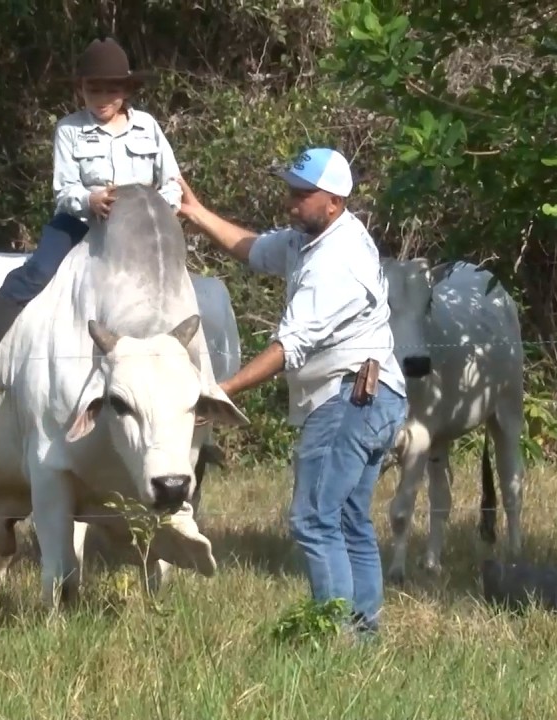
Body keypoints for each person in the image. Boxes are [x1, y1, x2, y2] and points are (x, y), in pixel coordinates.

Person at [175, 148, 409, 638]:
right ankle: (362, 636)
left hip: (349, 398)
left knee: (314, 518)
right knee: (348, 518)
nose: (291, 202)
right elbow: (254, 249)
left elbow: (290, 346)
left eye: (303, 194)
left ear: (334, 201)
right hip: (373, 394)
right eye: (290, 190)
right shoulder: (312, 238)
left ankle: (334, 636)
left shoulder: (337, 262)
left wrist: (221, 390)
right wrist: (197, 214)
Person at [0, 35, 183, 394]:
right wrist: (90, 200)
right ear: (81, 90)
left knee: (176, 283)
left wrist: (159, 207)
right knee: (37, 271)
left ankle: (194, 378)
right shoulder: (69, 129)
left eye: (111, 90)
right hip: (81, 221)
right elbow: (63, 190)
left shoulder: (148, 127)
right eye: (94, 89)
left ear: (126, 90)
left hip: (139, 229)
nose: (102, 98)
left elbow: (172, 183)